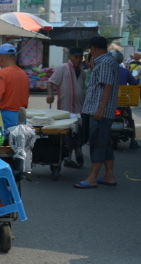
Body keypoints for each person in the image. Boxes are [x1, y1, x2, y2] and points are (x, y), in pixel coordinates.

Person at [74, 36, 119, 189]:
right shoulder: (105, 62)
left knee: (98, 143)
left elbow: (107, 86)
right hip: (99, 109)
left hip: (100, 111)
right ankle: (109, 176)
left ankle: (92, 177)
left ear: (93, 48)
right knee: (104, 143)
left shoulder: (105, 62)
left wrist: (101, 108)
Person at [46, 47, 86, 168]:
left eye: (80, 57)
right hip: (65, 108)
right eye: (76, 57)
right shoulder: (63, 68)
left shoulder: (82, 71)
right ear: (70, 57)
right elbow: (50, 82)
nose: (79, 60)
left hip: (79, 107)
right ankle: (72, 155)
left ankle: (75, 152)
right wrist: (50, 94)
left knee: (76, 132)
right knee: (68, 133)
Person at [0, 43, 29, 130]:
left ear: (0, 58)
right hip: (21, 116)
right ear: (15, 58)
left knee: (7, 142)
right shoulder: (23, 73)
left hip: (6, 117)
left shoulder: (1, 73)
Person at [113, 50, 139, 149]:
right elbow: (134, 83)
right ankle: (133, 141)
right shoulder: (125, 71)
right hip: (122, 100)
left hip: (109, 101)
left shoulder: (106, 70)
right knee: (130, 118)